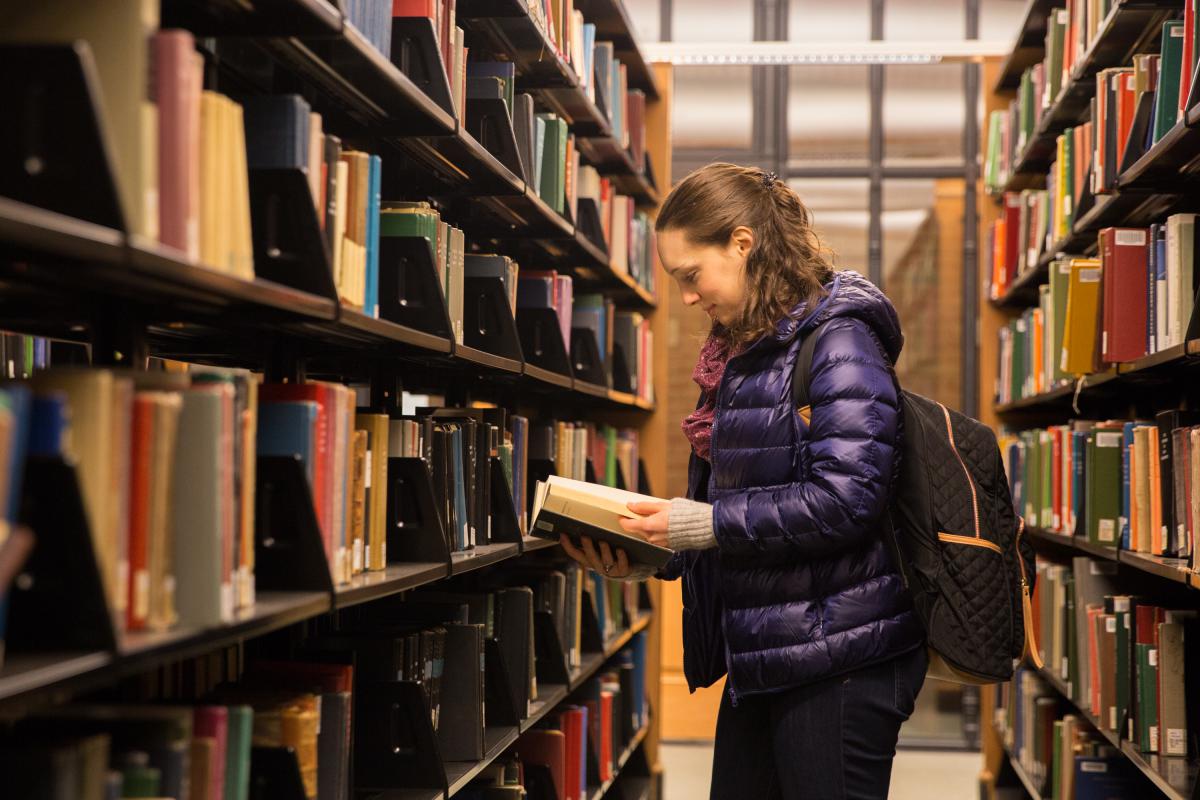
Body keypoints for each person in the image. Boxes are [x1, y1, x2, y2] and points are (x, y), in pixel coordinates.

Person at [559, 162, 928, 799]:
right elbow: (731, 514)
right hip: (764, 652)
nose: (688, 298)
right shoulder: (740, 356)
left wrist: (700, 526)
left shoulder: (840, 340)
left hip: (840, 659)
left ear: (742, 243)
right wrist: (655, 554)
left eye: (691, 276)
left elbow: (847, 500)